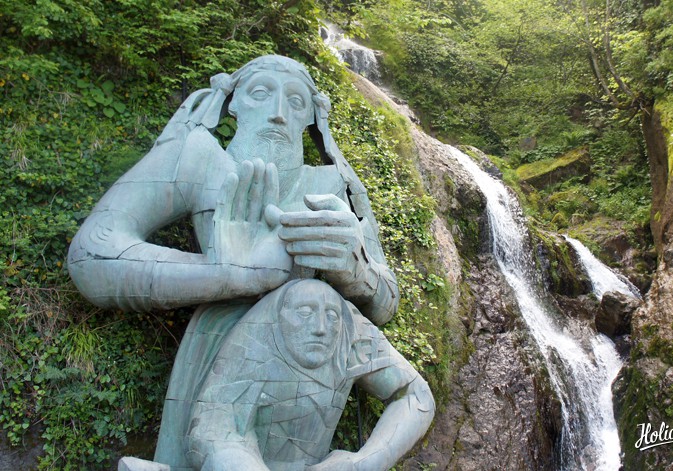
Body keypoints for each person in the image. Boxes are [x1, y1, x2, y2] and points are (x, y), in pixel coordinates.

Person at [67, 55, 408, 470]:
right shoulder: (197, 157)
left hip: (313, 372)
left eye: (296, 102)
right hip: (219, 361)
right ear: (234, 103)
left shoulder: (334, 186)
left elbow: (386, 301)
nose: (279, 113)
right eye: (261, 93)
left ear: (311, 118)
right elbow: (92, 254)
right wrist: (226, 275)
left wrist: (355, 270)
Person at [187, 279, 434, 471]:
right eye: (305, 312)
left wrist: (366, 461)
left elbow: (417, 396)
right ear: (282, 314)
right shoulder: (254, 337)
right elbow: (212, 433)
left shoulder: (350, 330)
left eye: (331, 316)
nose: (320, 328)